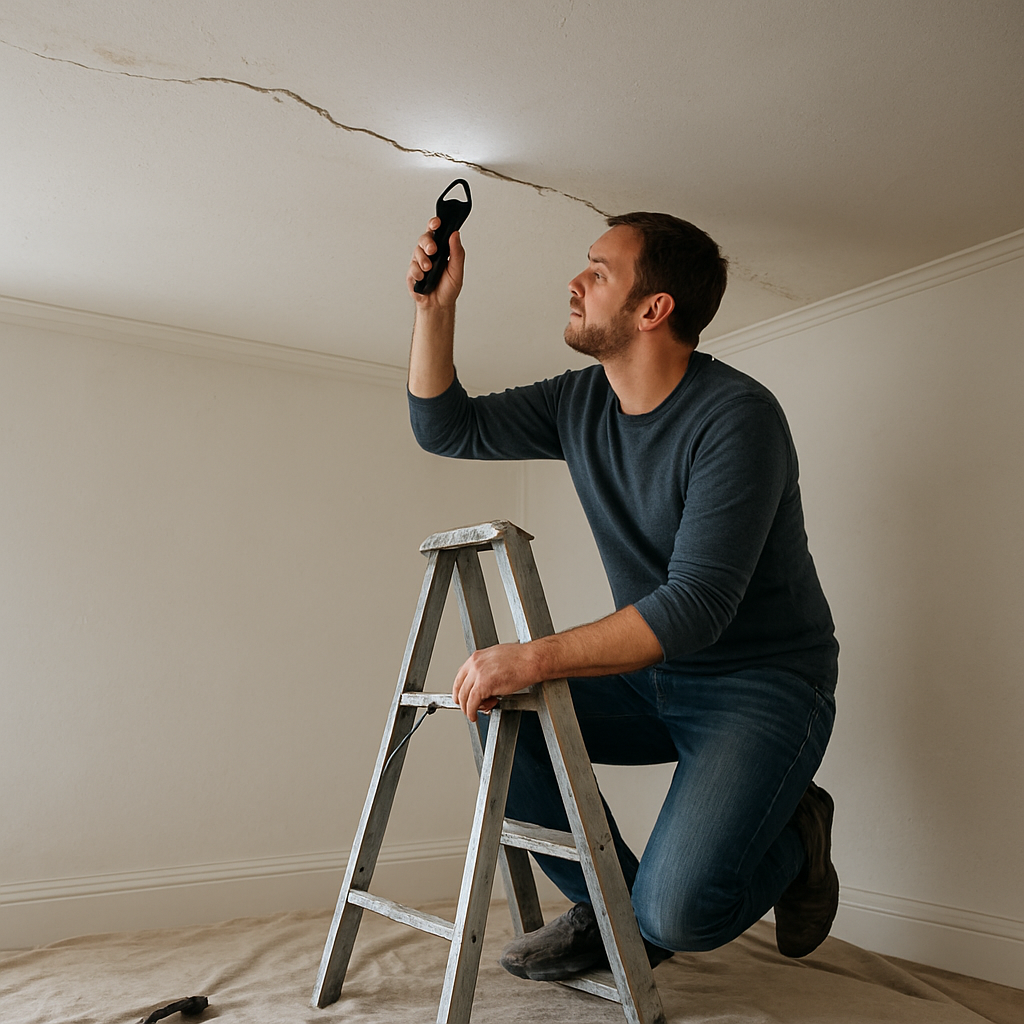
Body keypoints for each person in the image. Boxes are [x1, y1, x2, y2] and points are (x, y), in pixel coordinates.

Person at [405, 209, 840, 980]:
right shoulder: (581, 403)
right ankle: (607, 911)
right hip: (653, 676)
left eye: (598, 271)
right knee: (504, 715)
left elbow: (696, 604)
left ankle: (796, 833)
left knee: (681, 914)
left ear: (653, 308)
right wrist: (436, 312)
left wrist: (533, 656)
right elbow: (448, 427)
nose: (576, 282)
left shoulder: (736, 419)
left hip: (761, 686)